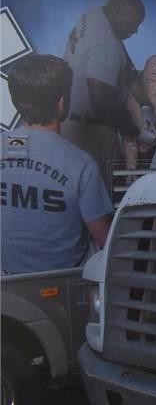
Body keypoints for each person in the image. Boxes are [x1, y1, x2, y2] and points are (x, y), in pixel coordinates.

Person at [1, 55, 113, 275]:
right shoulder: (81, 165)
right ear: (61, 102)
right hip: (63, 286)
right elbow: (105, 240)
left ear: (16, 100)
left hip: (7, 287)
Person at [61, 0, 148, 187]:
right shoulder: (105, 41)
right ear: (118, 13)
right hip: (88, 131)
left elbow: (129, 68)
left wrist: (145, 105)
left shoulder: (95, 16)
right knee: (100, 191)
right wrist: (134, 130)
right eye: (133, 24)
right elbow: (101, 103)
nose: (135, 31)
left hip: (75, 123)